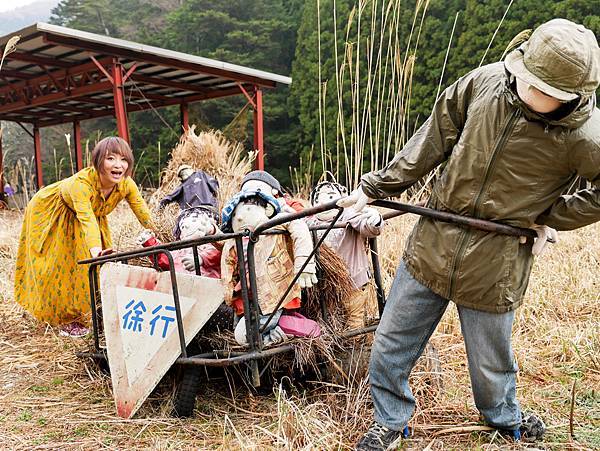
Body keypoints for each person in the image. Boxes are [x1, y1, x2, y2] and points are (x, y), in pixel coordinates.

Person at [337, 18, 600, 449]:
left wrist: (551, 214)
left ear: (573, 96)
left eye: (547, 93)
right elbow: (431, 140)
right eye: (529, 81)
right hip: (434, 239)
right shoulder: (486, 83)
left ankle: (502, 416)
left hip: (497, 260)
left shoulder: (586, 138)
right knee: (390, 341)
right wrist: (375, 188)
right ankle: (391, 419)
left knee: (491, 360)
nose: (531, 93)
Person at [14, 137, 154, 337]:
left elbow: (143, 212)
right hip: (53, 211)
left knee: (95, 268)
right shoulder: (82, 184)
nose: (118, 165)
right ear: (97, 162)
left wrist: (161, 235)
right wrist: (96, 251)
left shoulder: (126, 185)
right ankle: (67, 319)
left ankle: (94, 312)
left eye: (123, 159)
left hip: (88, 218)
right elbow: (87, 219)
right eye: (110, 158)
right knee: (60, 266)